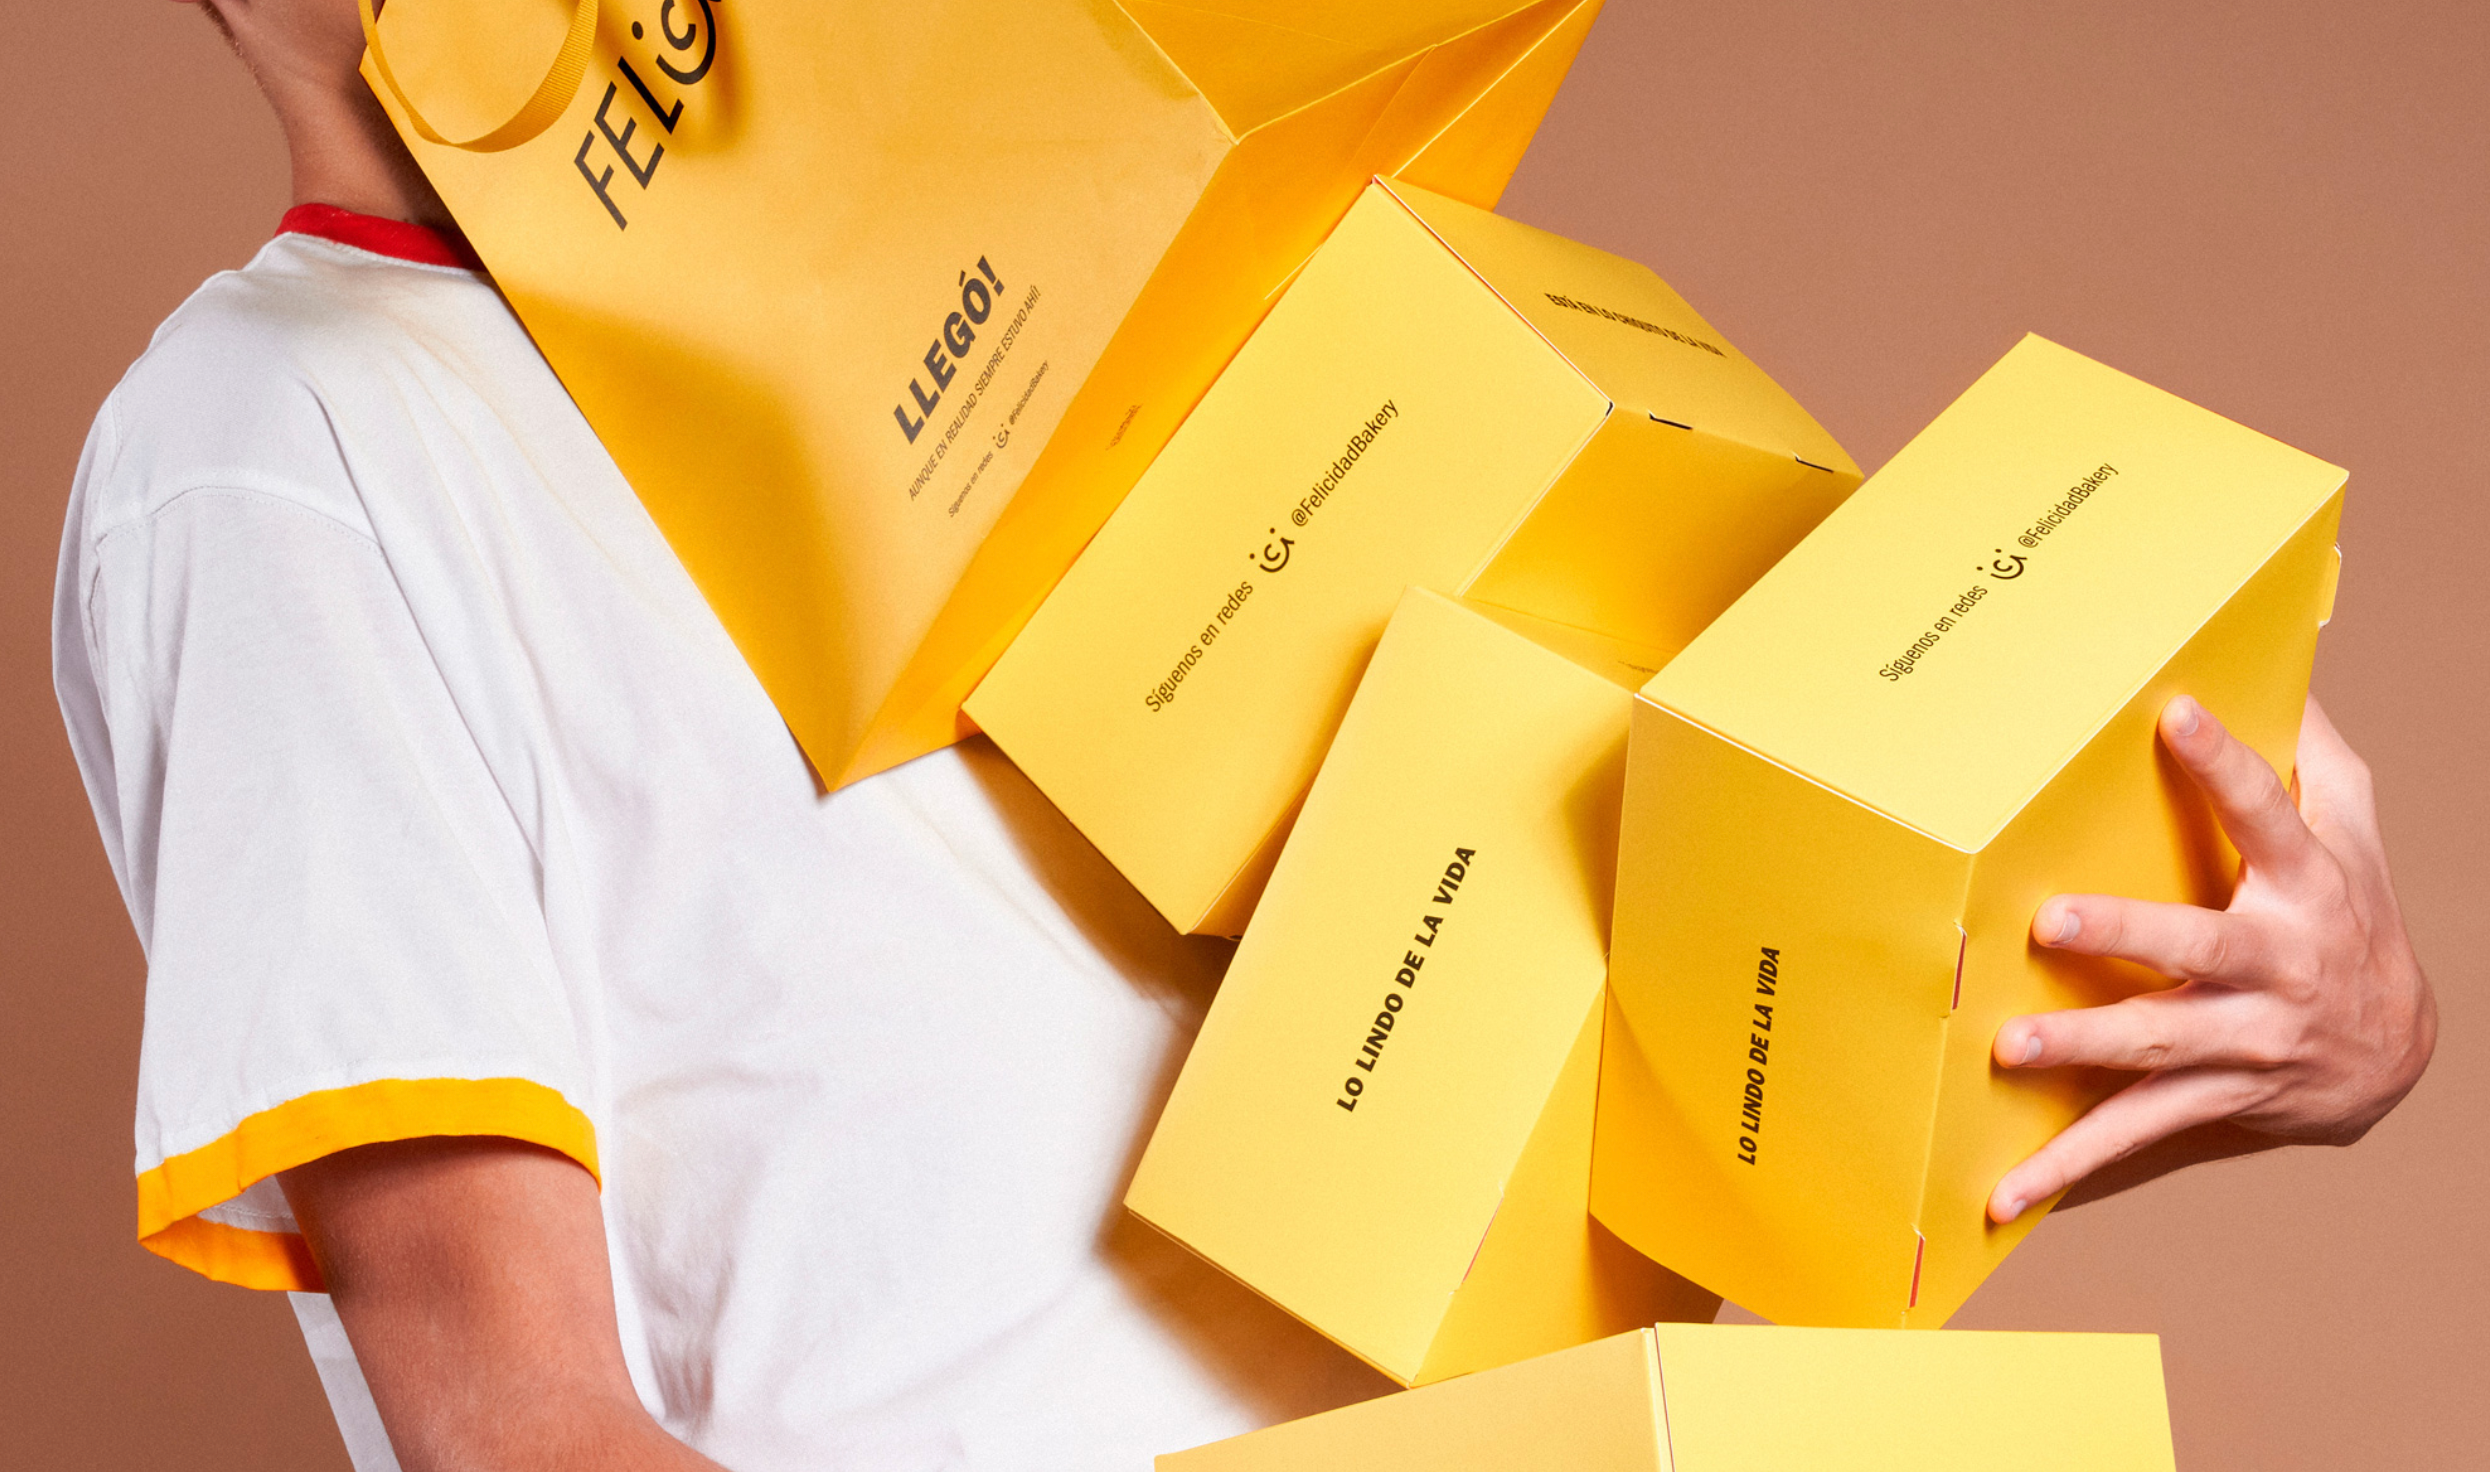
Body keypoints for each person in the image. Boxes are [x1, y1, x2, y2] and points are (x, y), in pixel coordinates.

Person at [54, 1, 2434, 1468]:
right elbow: (522, 1430)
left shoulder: (1051, 276)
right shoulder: (285, 441)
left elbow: (1720, 1025)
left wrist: (2321, 1007)